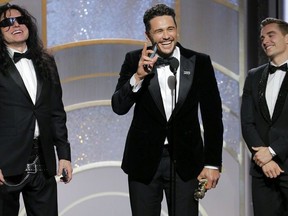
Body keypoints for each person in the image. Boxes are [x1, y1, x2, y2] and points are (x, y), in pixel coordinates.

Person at [111, 3, 223, 216]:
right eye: (159, 31)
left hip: (186, 162)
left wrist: (212, 163)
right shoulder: (134, 60)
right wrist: (138, 77)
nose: (166, 36)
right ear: (148, 35)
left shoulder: (199, 61)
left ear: (176, 29)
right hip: (143, 162)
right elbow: (118, 106)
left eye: (170, 29)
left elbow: (212, 116)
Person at [0, 3, 72, 216]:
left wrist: (64, 155)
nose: (16, 25)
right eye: (6, 23)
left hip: (43, 161)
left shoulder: (46, 61)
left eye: (20, 20)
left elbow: (57, 112)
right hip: (6, 164)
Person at [241, 17, 288, 216]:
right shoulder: (254, 75)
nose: (265, 41)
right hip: (262, 171)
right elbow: (247, 122)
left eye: (271, 35)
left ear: (287, 38)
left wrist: (273, 151)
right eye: (262, 38)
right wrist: (264, 158)